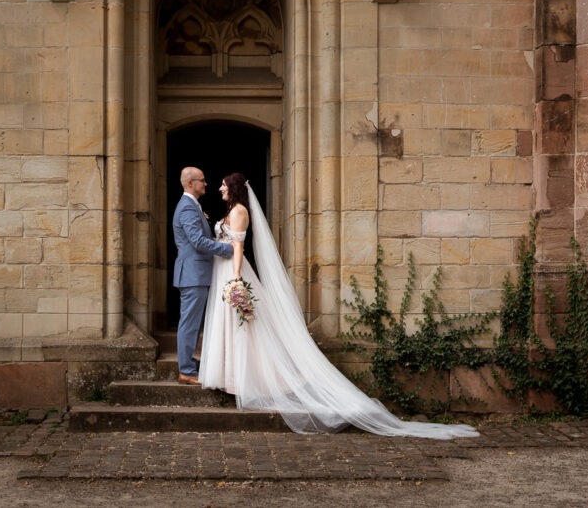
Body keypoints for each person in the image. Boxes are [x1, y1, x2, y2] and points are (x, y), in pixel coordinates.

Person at [199, 172, 479, 439]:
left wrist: (236, 279)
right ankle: (231, 376)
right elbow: (223, 241)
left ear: (233, 187)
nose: (220, 188)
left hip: (233, 272)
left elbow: (238, 248)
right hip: (223, 270)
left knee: (246, 325)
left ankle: (247, 380)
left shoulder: (238, 212)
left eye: (224, 185)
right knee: (231, 324)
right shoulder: (230, 211)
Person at [171, 166, 234, 386]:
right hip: (192, 274)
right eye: (202, 180)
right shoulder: (187, 207)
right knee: (189, 323)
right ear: (190, 183)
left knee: (192, 322)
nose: (206, 184)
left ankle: (188, 363)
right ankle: (186, 371)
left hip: (195, 273)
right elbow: (197, 241)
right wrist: (229, 249)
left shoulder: (193, 205)